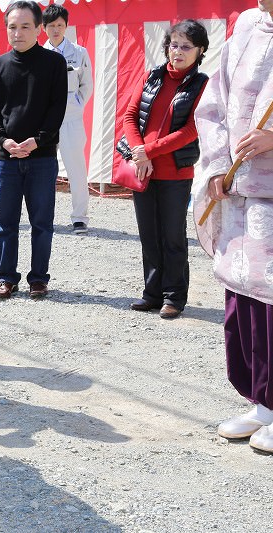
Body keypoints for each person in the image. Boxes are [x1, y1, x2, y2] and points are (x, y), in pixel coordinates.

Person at [192, 1, 273, 453]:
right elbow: (216, 102)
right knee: (241, 290)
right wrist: (219, 166)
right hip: (239, 186)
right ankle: (261, 400)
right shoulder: (245, 24)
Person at [118, 20, 209, 319]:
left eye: (186, 46)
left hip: (176, 173)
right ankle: (152, 293)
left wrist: (148, 150)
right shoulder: (152, 76)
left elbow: (191, 130)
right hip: (143, 169)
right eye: (173, 44)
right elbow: (130, 115)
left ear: (200, 50)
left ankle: (174, 297)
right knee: (148, 235)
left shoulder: (202, 84)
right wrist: (138, 151)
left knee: (172, 236)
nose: (178, 51)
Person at [0, 1, 67, 301]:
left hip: (42, 157)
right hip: (7, 158)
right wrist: (3, 140)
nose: (17, 33)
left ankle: (39, 278)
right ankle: (6, 277)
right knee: (5, 223)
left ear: (39, 28)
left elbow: (58, 109)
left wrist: (38, 140)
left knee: (41, 223)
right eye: (12, 27)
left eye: (25, 26)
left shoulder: (54, 63)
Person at [42, 4, 93, 234]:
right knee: (43, 169)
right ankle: (44, 216)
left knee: (76, 169)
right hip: (44, 121)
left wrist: (77, 105)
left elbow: (87, 85)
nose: (55, 30)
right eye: (51, 26)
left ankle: (80, 217)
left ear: (66, 25)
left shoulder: (79, 52)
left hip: (71, 118)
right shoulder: (38, 54)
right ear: (43, 28)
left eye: (59, 25)